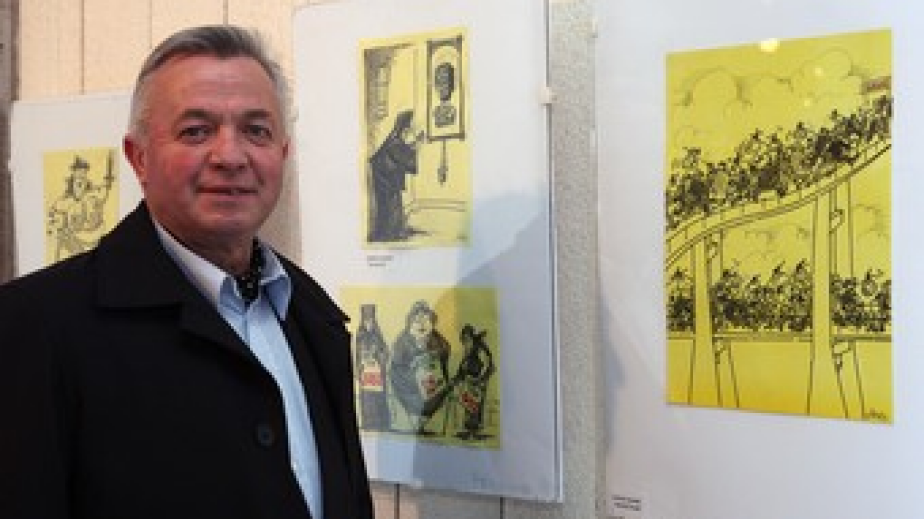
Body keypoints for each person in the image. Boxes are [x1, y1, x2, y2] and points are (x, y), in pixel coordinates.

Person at [0, 25, 373, 519]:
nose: (230, 157)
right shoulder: (35, 325)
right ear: (139, 158)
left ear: (282, 155)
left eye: (256, 131)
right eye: (196, 131)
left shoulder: (313, 315)